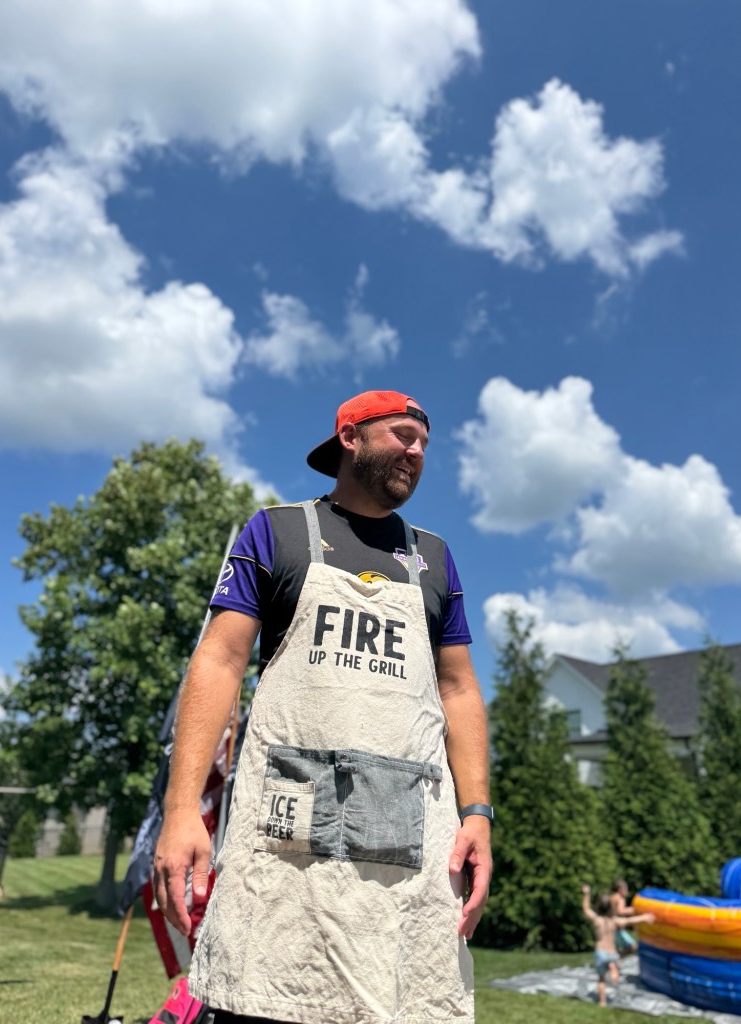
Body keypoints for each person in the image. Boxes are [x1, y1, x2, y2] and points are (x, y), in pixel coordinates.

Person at [154, 390, 493, 1024]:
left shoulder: (435, 559)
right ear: (350, 437)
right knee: (267, 996)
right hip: (285, 842)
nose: (417, 451)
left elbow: (459, 689)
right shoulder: (278, 531)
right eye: (402, 434)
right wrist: (181, 811)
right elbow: (219, 660)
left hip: (406, 846)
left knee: (402, 1001)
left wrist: (477, 814)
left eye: (424, 443)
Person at [581, 885, 654, 1007]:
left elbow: (586, 909)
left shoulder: (597, 920)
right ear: (611, 908)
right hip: (612, 953)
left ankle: (602, 1002)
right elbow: (629, 921)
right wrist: (644, 917)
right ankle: (613, 970)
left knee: (601, 979)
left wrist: (586, 894)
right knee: (614, 965)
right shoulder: (614, 921)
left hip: (600, 952)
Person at [609, 878, 638, 955]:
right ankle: (616, 958)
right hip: (617, 929)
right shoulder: (620, 898)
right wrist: (634, 909)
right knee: (634, 947)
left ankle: (615, 959)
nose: (627, 892)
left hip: (610, 928)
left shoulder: (612, 897)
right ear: (621, 889)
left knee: (615, 949)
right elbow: (620, 911)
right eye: (626, 889)